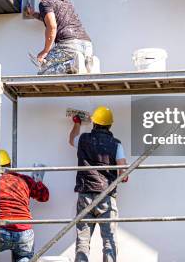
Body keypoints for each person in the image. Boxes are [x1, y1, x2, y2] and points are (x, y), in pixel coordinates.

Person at [68, 106, 128, 262]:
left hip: (85, 195)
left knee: (83, 240)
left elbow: (71, 139)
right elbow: (123, 171)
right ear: (110, 125)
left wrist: (77, 123)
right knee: (109, 240)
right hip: (106, 197)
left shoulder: (83, 139)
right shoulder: (116, 144)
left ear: (94, 122)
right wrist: (122, 176)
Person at [0, 149, 49, 262]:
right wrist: (38, 182)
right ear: (10, 165)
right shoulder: (25, 180)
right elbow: (44, 196)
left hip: (0, 231)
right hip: (24, 232)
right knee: (24, 257)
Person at [25, 0, 94, 75]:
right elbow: (51, 18)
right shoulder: (65, 1)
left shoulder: (45, 3)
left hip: (70, 45)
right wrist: (33, 14)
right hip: (87, 45)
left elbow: (52, 26)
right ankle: (90, 63)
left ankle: (73, 64)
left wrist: (45, 51)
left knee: (43, 70)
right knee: (79, 69)